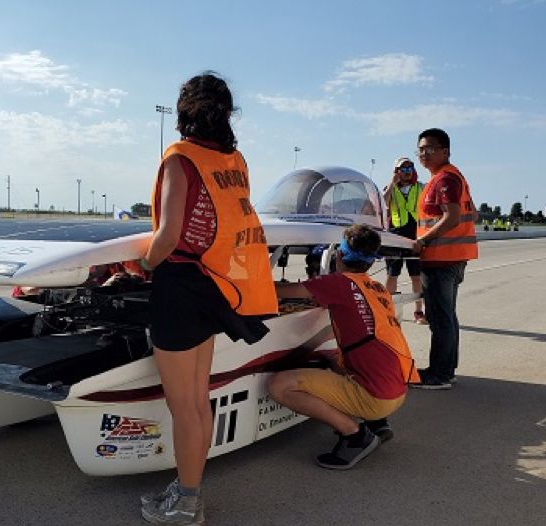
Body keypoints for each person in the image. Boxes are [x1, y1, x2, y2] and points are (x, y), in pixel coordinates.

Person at [139, 72, 277, 525]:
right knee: (199, 401)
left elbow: (168, 234)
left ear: (184, 111)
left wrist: (142, 266)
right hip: (215, 286)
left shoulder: (181, 157)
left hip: (179, 286)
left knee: (185, 407)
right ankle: (187, 490)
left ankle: (187, 504)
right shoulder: (235, 160)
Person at [268, 224, 419, 470]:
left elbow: (284, 291)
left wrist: (248, 284)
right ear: (371, 263)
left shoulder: (338, 283)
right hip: (396, 389)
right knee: (333, 360)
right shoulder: (378, 289)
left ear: (339, 256)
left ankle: (356, 436)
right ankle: (377, 423)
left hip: (375, 396)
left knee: (279, 385)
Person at [411, 128, 478, 389]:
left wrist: (424, 240)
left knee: (440, 318)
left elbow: (451, 216)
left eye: (429, 148)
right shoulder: (450, 177)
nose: (423, 154)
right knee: (446, 316)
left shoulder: (444, 180)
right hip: (452, 258)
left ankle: (438, 375)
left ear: (445, 151)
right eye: (420, 149)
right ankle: (446, 370)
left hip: (441, 259)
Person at [383, 157, 427, 324]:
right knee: (392, 275)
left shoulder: (420, 187)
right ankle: (386, 310)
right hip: (395, 235)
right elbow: (383, 203)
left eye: (410, 168)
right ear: (396, 172)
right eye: (403, 169)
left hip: (416, 235)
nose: (408, 172)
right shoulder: (391, 188)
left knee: (416, 276)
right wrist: (392, 184)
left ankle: (418, 312)